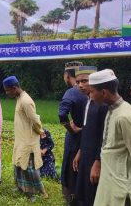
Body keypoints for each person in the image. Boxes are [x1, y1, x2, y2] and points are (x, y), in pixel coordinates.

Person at [89, 69, 131, 206]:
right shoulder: (110, 109)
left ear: (103, 93)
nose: (90, 96)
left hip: (121, 188)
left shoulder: (125, 116)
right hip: (109, 182)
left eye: (92, 92)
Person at [2, 76, 48, 202]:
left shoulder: (26, 101)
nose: (7, 93)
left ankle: (36, 193)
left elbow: (34, 120)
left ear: (14, 88)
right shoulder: (19, 98)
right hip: (21, 139)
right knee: (19, 165)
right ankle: (21, 187)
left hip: (28, 141)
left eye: (7, 91)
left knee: (29, 169)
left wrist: (40, 131)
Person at [68, 66, 108, 206]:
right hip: (85, 155)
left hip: (96, 158)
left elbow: (105, 137)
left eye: (84, 81)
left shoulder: (102, 105)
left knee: (94, 195)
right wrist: (80, 151)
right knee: (83, 193)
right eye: (78, 81)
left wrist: (98, 162)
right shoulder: (88, 101)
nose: (80, 85)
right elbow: (87, 130)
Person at [58, 61, 87, 205]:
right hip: (90, 139)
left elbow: (62, 114)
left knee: (70, 173)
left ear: (66, 75)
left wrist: (71, 128)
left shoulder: (72, 92)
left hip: (75, 140)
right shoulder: (92, 91)